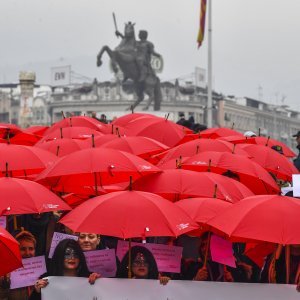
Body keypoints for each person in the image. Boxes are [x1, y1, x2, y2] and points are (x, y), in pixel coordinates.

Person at [30, 239, 101, 299]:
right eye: (67, 254)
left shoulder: (89, 278)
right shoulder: (46, 279)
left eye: (76, 254)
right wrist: (37, 292)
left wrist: (99, 283)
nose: (72, 258)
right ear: (59, 256)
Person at [0, 231, 37, 300]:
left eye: (31, 249)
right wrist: (5, 285)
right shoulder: (6, 274)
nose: (27, 253)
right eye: (23, 249)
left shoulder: (41, 271)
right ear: (16, 250)